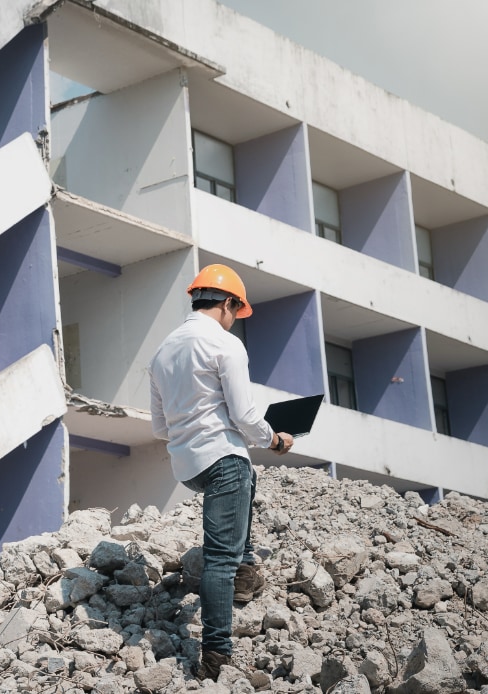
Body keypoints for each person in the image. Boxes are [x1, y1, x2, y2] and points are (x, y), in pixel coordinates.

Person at [148, 263, 293, 681]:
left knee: (247, 480)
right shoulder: (224, 344)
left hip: (187, 467)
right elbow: (245, 416)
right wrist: (274, 440)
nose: (234, 319)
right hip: (223, 461)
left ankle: (245, 568)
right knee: (218, 562)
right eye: (236, 311)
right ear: (228, 303)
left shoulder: (162, 353)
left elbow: (159, 428)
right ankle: (215, 657)